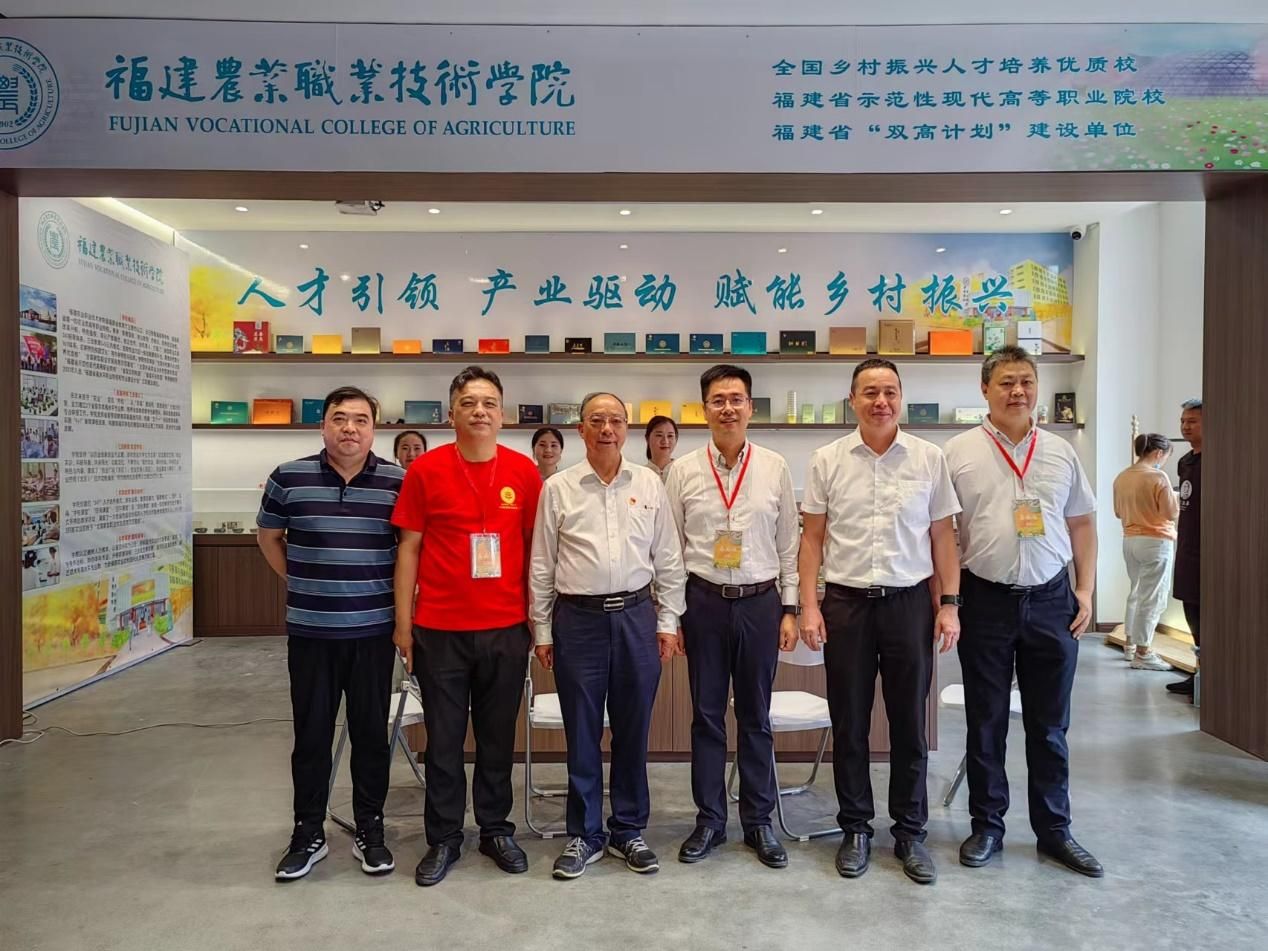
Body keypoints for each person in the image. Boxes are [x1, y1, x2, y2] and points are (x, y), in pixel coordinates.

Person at [798, 358, 961, 885]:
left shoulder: (928, 458)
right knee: (849, 720)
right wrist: (808, 604)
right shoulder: (827, 459)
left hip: (909, 603)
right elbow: (812, 538)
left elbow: (942, 537)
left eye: (890, 391)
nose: (881, 401)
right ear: (853, 400)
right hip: (846, 604)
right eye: (870, 392)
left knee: (909, 722)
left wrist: (949, 603)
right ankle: (856, 828)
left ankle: (910, 832)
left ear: (901, 398)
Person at [944, 346, 1102, 878]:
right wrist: (948, 602)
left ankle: (1055, 830)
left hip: (1052, 599)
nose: (1018, 392)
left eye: (1027, 382)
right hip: (984, 599)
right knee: (986, 720)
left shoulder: (1060, 451)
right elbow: (943, 533)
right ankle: (987, 826)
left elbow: (1082, 523)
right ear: (985, 390)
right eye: (1007, 382)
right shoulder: (958, 452)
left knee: (1050, 724)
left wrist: (1085, 590)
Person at [391, 366, 542, 887]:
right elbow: (409, 549)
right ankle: (444, 837)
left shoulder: (524, 473)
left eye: (489, 403)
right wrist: (404, 625)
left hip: (506, 626)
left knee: (497, 738)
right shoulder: (425, 470)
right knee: (445, 740)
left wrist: (537, 620)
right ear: (451, 413)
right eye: (469, 402)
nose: (480, 411)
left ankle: (496, 830)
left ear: (503, 414)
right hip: (439, 629)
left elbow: (536, 554)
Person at [530, 392, 686, 880]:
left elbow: (668, 558)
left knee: (633, 730)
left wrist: (668, 621)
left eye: (615, 420)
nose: (606, 429)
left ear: (627, 429)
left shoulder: (648, 484)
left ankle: (628, 829)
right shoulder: (558, 488)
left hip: (637, 617)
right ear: (580, 429)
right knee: (581, 730)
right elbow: (542, 563)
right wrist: (542, 628)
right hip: (578, 621)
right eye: (596, 420)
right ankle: (584, 834)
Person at [256, 385, 405, 881]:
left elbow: (408, 549)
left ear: (373, 429)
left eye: (361, 420)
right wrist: (298, 579)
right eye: (340, 418)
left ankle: (371, 829)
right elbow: (268, 537)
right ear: (323, 425)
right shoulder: (289, 477)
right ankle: (308, 832)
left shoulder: (397, 481)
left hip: (372, 633)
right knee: (311, 735)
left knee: (370, 736)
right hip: (311, 633)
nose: (350, 429)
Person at [665, 364, 799, 870]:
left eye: (736, 399)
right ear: (704, 409)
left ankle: (759, 821)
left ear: (750, 407)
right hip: (703, 602)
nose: (728, 408)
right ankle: (710, 821)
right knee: (706, 715)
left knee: (755, 715)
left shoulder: (774, 467)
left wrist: (790, 608)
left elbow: (787, 544)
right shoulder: (682, 471)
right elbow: (670, 550)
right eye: (718, 400)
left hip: (760, 602)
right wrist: (672, 616)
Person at [1112, 433, 1178, 671]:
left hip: (1130, 540)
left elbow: (1118, 513)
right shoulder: (1158, 477)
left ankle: (1130, 645)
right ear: (1159, 453)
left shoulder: (1122, 477)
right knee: (1152, 598)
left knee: (1136, 593)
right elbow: (1171, 513)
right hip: (1156, 541)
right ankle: (1144, 652)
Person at [1169, 399, 1203, 698]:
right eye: (1183, 421)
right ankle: (1199, 673)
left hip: (1209, 551)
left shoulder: (1218, 461)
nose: (1185, 426)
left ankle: (1209, 677)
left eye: (1192, 421)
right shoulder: (1185, 462)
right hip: (1187, 547)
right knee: (1190, 609)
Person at [644, 415, 679, 481]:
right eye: (659, 435)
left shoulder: (683, 473)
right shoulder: (640, 475)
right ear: (647, 438)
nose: (665, 441)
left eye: (670, 436)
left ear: (676, 439)